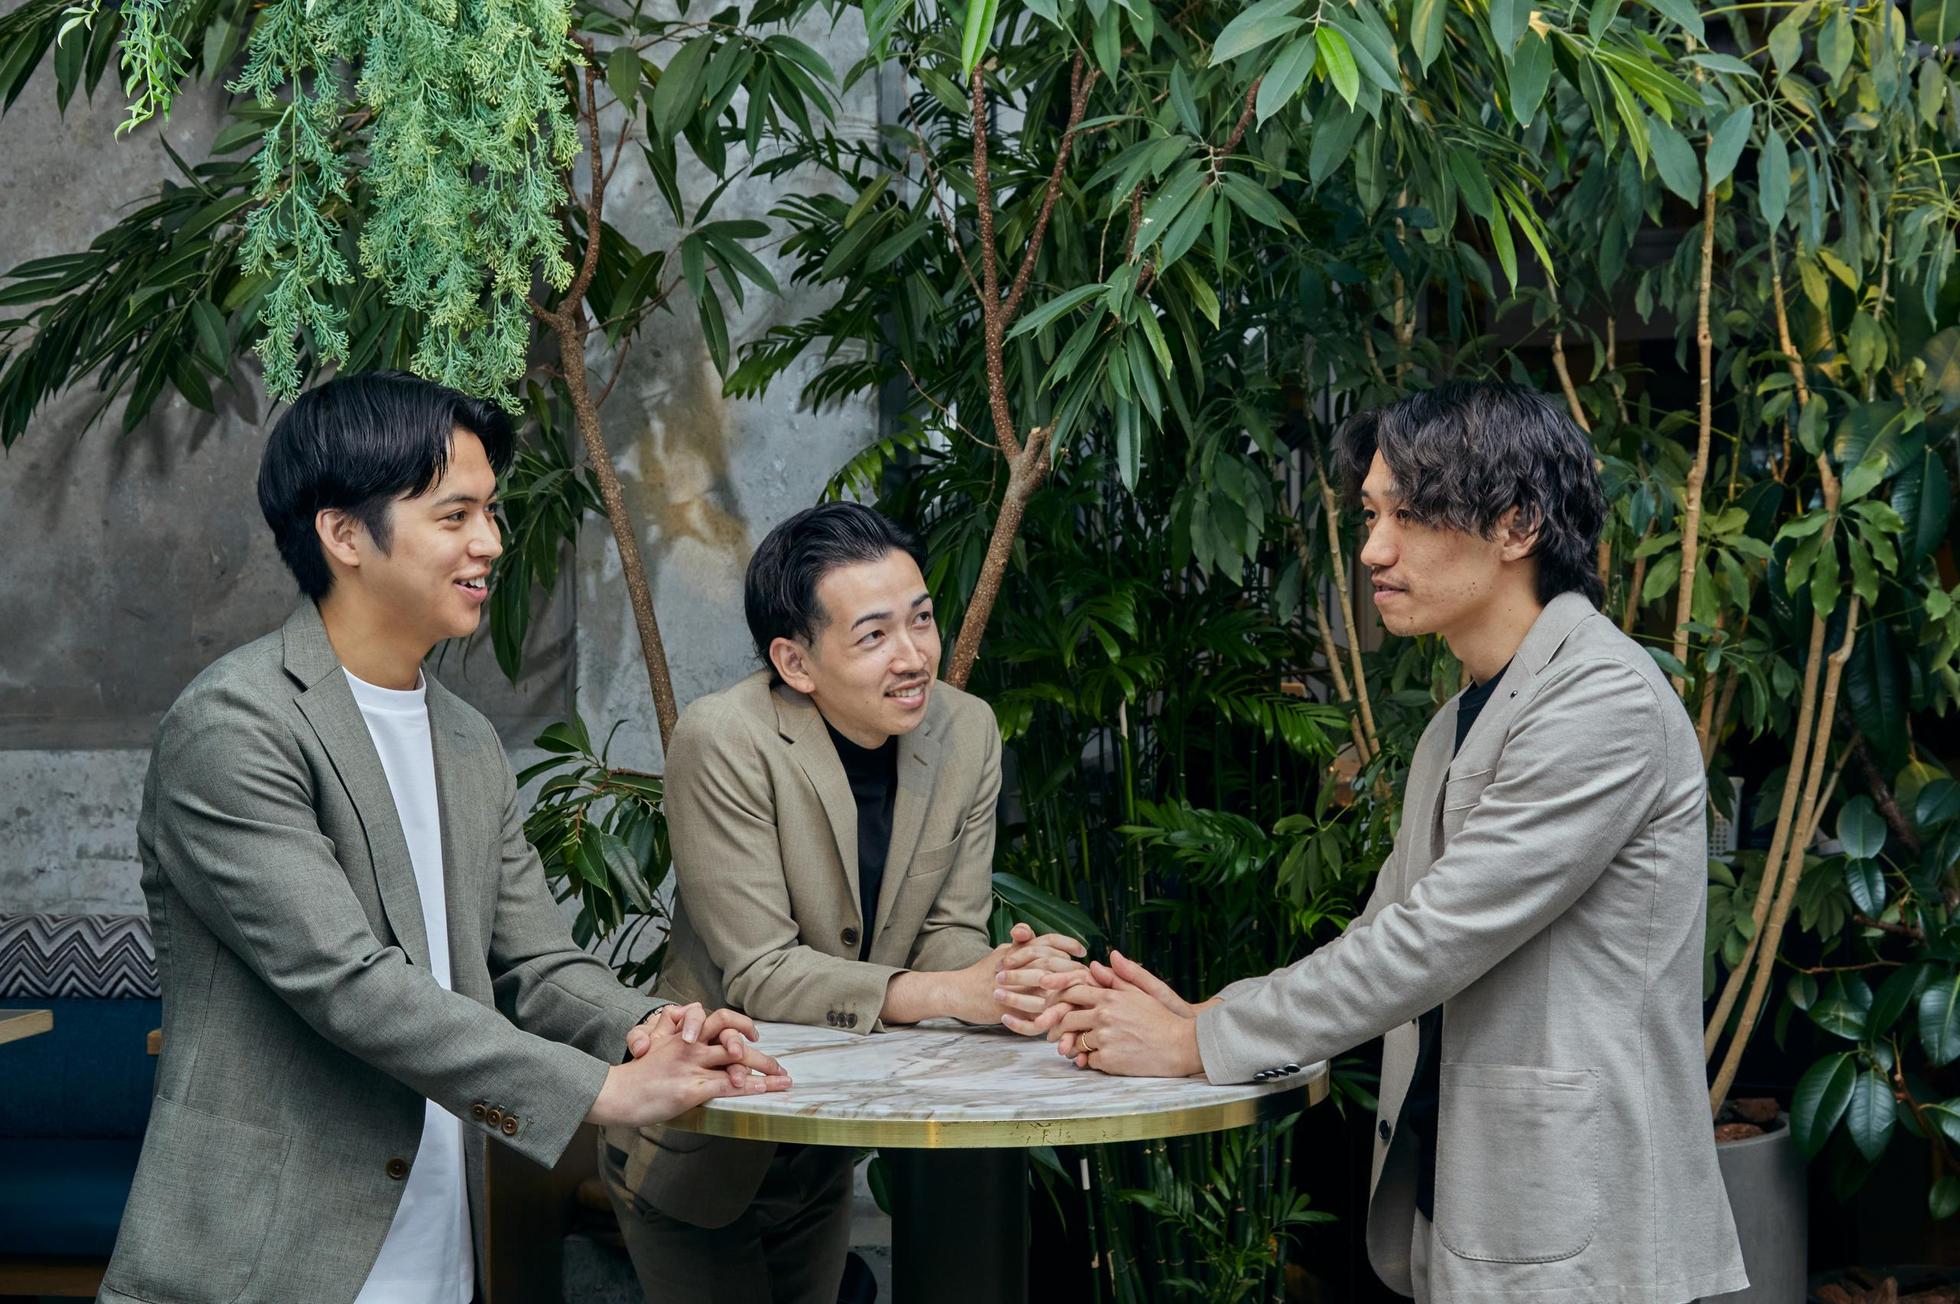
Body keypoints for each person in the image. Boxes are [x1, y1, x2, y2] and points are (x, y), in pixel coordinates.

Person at [1021, 382, 1749, 1303]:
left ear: (1518, 524)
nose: (1373, 548)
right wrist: (1204, 1014)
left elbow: (1429, 942)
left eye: (1409, 514)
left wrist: (1196, 1042)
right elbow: (1382, 931)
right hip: (1471, 1189)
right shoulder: (1459, 718)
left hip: (1581, 1213)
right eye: (1371, 515)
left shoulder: (1604, 699)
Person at [101, 373, 788, 1304]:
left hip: (445, 1246)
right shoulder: (234, 726)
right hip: (267, 1258)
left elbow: (535, 964)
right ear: (344, 535)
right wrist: (604, 1093)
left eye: (490, 511)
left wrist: (647, 1027)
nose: (491, 542)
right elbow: (347, 982)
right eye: (454, 515)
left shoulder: (465, 738)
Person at [601, 501, 1085, 1304]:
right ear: (795, 662)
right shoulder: (724, 739)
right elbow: (761, 972)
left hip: (823, 1142)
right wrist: (950, 992)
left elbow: (950, 934)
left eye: (921, 619)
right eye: (874, 636)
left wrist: (1009, 981)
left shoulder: (966, 731)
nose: (914, 655)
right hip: (701, 1138)